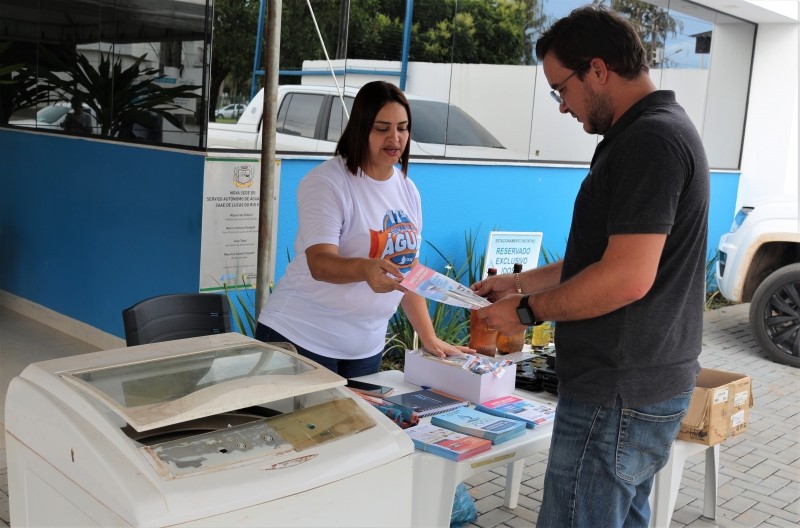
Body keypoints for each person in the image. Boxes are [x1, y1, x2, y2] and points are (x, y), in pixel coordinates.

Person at [471, 5, 709, 527]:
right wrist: (518, 282)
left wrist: (526, 312)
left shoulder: (651, 141)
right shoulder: (641, 134)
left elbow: (625, 278)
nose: (561, 106)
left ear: (597, 70)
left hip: (617, 391)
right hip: (634, 387)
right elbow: (602, 258)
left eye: (561, 88)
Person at [255, 80, 468, 378]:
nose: (394, 138)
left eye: (403, 128)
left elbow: (407, 269)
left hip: (365, 348)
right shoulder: (327, 183)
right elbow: (320, 263)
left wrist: (429, 337)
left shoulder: (408, 190)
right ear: (361, 129)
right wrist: (364, 269)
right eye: (382, 128)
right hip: (301, 337)